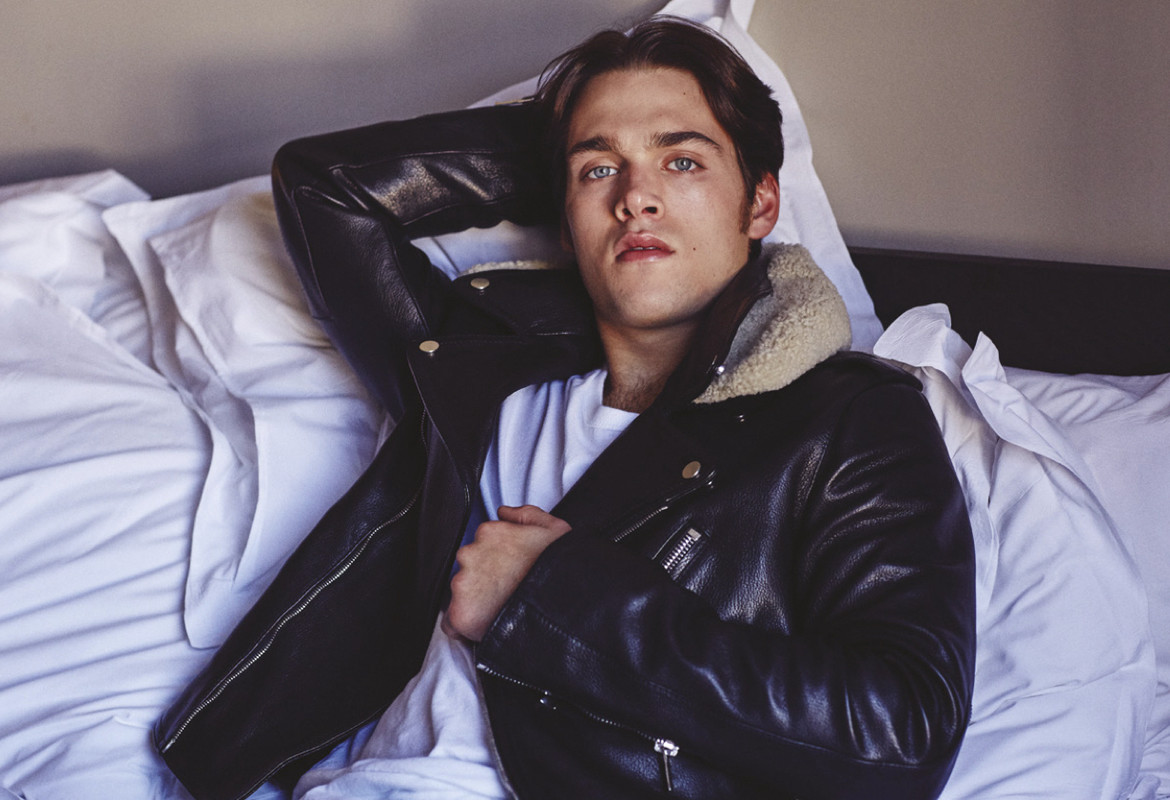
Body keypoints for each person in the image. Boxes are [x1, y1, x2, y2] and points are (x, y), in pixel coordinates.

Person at [156, 17, 976, 800]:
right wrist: (565, 142)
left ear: (761, 204)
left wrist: (552, 599)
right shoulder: (474, 371)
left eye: (682, 161)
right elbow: (324, 188)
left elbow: (902, 735)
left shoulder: (847, 418)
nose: (637, 197)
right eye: (600, 172)